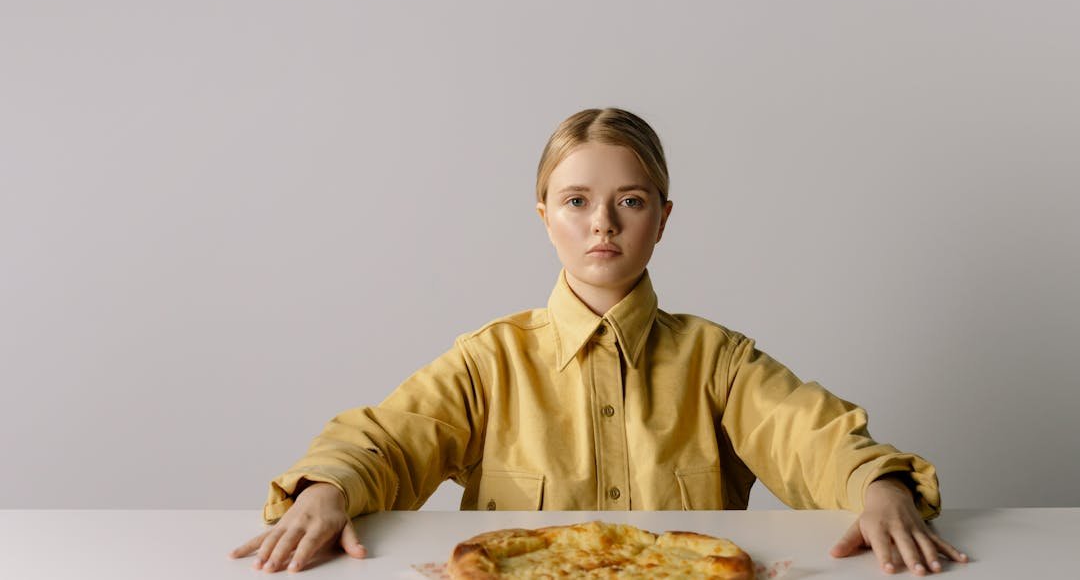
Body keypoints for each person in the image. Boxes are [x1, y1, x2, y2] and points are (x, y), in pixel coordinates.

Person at [229, 108, 970, 575]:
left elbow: (811, 436)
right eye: (577, 201)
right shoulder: (491, 360)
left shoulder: (719, 360)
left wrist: (880, 488)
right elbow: (384, 440)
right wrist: (326, 492)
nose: (602, 224)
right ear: (544, 214)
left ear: (664, 217)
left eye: (631, 201)